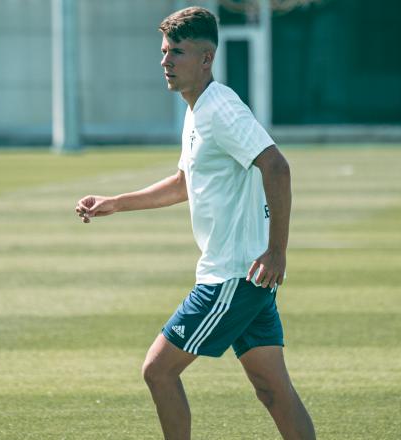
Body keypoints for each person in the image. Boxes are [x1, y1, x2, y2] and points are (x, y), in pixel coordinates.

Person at [75, 6, 315, 440]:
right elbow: (184, 183)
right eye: (164, 51)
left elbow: (276, 167)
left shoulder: (220, 107)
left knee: (158, 370)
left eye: (177, 53)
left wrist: (277, 249)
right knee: (273, 390)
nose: (165, 61)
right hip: (248, 276)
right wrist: (116, 203)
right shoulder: (196, 109)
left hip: (232, 276)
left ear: (206, 59)